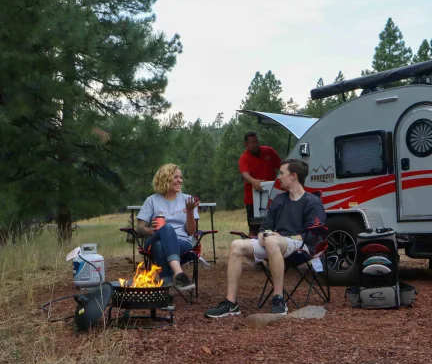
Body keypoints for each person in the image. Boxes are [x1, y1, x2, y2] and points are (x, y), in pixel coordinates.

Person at [204, 159, 326, 318]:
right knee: (236, 245)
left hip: (301, 246)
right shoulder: (279, 200)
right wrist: (262, 235)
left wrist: (281, 237)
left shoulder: (312, 202)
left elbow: (315, 234)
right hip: (273, 244)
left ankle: (278, 298)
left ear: (294, 176)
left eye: (281, 173)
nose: (279, 177)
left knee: (272, 241)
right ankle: (231, 303)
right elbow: (265, 226)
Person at [137, 164, 199, 292]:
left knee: (160, 245)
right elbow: (139, 228)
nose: (180, 180)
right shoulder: (152, 200)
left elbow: (191, 231)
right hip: (153, 239)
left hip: (182, 242)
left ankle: (166, 288)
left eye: (181, 177)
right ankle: (178, 273)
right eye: (175, 177)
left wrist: (190, 212)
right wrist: (152, 230)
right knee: (166, 229)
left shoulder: (188, 200)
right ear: (164, 178)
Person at [238, 131, 281, 236]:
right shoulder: (244, 158)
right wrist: (253, 181)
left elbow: (281, 165)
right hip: (253, 199)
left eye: (256, 141)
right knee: (254, 227)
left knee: (274, 224)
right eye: (252, 142)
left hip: (272, 196)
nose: (255, 144)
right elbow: (245, 174)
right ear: (246, 144)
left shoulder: (268, 151)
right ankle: (252, 244)